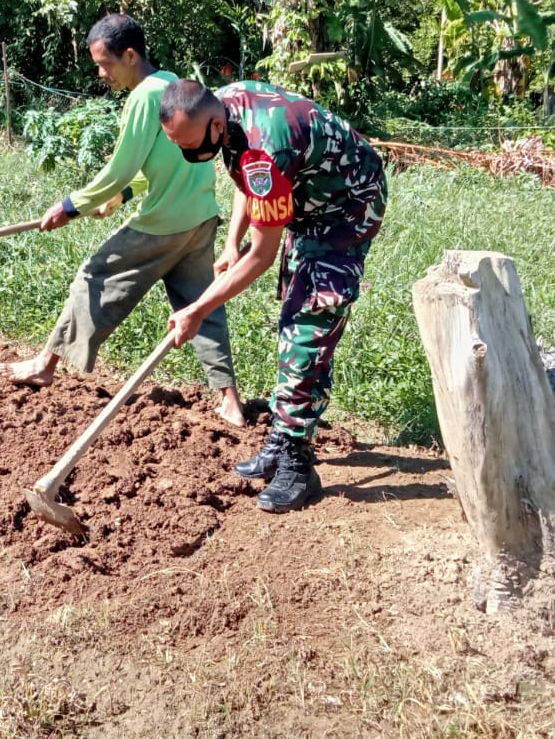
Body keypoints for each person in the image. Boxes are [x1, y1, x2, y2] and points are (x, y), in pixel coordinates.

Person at [2, 14, 246, 427]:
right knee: (202, 307)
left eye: (105, 63)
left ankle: (45, 364)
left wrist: (70, 205)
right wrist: (122, 195)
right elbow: (154, 165)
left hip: (163, 226)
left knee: (93, 277)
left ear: (130, 55)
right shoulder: (174, 85)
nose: (101, 73)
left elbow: (118, 167)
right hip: (201, 220)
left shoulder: (144, 97)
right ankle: (230, 401)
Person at [157, 77, 388, 512]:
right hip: (305, 203)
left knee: (308, 326)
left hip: (346, 207)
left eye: (192, 146)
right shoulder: (226, 109)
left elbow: (260, 255)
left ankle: (299, 465)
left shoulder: (268, 146)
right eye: (180, 147)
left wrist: (196, 309)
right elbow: (247, 177)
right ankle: (283, 439)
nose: (190, 155)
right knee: (294, 318)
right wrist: (230, 243)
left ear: (212, 123)